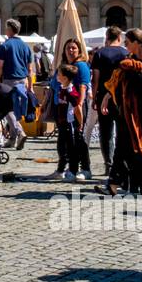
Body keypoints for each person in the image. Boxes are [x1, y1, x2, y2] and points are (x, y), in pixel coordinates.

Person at [99, 29, 142, 196]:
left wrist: (135, 68)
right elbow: (117, 81)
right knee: (122, 147)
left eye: (127, 42)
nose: (125, 45)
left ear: (136, 42)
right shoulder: (130, 60)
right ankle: (113, 184)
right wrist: (107, 96)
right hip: (127, 111)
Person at [48, 38, 91, 180]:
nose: (71, 51)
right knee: (63, 140)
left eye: (73, 48)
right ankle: (63, 169)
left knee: (77, 140)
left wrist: (79, 103)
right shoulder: (64, 66)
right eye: (68, 48)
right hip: (61, 106)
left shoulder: (81, 65)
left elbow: (84, 86)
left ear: (79, 50)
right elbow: (54, 85)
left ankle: (83, 169)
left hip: (74, 106)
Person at [0, 18, 35, 150]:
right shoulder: (26, 47)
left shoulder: (5, 46)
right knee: (15, 108)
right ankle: (12, 139)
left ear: (9, 29)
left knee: (6, 108)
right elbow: (30, 69)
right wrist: (30, 86)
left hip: (9, 80)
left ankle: (19, 132)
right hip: (23, 80)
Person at [89, 27, 128, 173]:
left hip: (102, 96)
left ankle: (109, 164)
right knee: (122, 131)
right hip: (121, 97)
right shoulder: (125, 53)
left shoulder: (99, 54)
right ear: (119, 37)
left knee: (105, 133)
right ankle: (120, 163)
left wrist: (93, 97)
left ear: (107, 37)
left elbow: (95, 79)